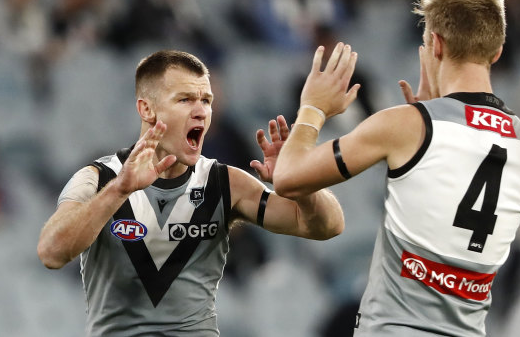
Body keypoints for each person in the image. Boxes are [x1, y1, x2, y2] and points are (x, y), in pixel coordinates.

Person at [273, 0, 520, 336]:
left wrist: (313, 108)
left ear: (436, 44)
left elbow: (287, 177)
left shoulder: (406, 126)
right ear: (496, 51)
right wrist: (431, 122)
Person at [36, 50, 345, 336]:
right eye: (184, 100)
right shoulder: (96, 178)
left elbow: (327, 226)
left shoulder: (226, 184)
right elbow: (51, 251)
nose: (201, 112)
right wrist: (119, 190)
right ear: (147, 109)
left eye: (206, 101)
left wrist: (298, 180)